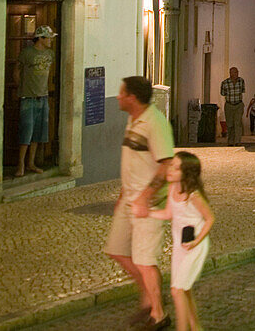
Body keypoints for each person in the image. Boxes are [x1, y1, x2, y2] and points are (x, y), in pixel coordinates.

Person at [104, 76, 175, 330]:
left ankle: (158, 314)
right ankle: (149, 296)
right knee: (117, 250)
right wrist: (124, 194)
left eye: (122, 93)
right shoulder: (133, 119)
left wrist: (145, 197)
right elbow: (134, 161)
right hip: (129, 199)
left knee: (145, 260)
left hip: (149, 203)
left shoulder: (155, 123)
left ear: (132, 98)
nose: (118, 97)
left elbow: (166, 164)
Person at [150, 151, 214, 331]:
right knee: (184, 289)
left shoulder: (193, 195)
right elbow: (168, 214)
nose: (170, 169)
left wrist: (197, 241)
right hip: (180, 246)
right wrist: (146, 213)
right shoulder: (172, 189)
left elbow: (210, 219)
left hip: (195, 246)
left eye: (176, 168)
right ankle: (196, 327)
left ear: (186, 174)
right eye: (172, 165)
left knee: (177, 290)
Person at [15, 25, 56, 177]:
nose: (51, 41)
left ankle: (31, 163)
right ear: (40, 38)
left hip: (43, 97)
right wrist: (22, 89)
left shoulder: (50, 54)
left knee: (38, 133)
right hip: (28, 98)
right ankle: (20, 164)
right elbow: (17, 71)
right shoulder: (27, 53)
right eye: (49, 38)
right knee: (26, 132)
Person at [220, 67, 245, 146]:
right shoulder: (225, 83)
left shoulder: (241, 81)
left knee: (238, 123)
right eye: (233, 72)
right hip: (229, 104)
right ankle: (230, 141)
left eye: (236, 72)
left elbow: (243, 90)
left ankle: (238, 141)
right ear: (230, 73)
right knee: (230, 124)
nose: (235, 74)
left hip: (238, 104)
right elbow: (222, 93)